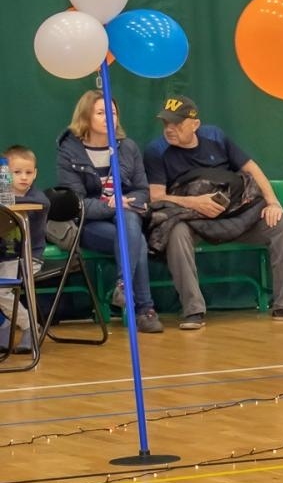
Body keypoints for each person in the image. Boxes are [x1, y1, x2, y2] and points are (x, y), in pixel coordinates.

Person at [143, 96, 283, 328]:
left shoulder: (215, 136)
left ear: (195, 124)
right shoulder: (156, 151)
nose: (169, 129)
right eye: (166, 123)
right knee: (176, 233)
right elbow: (156, 197)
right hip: (193, 221)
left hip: (236, 216)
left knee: (282, 224)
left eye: (177, 123)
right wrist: (195, 202)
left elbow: (252, 169)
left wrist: (273, 203)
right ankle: (193, 310)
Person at [56, 91, 163, 334]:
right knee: (135, 240)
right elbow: (77, 203)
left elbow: (142, 190)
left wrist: (126, 202)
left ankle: (124, 286)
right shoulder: (69, 151)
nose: (109, 118)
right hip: (89, 224)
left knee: (129, 225)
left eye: (112, 113)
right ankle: (145, 309)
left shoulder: (127, 148)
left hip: (126, 217)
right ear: (85, 116)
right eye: (101, 113)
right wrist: (112, 205)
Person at [0, 145, 50, 351]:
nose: (23, 178)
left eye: (28, 173)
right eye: (17, 172)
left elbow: (27, 204)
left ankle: (30, 326)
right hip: (5, 258)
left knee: (2, 291)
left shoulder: (38, 199)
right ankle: (5, 326)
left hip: (28, 258)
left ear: (36, 174)